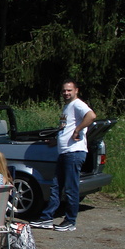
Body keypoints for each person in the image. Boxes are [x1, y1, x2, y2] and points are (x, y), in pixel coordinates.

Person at [31, 78, 97, 231]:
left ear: (76, 91)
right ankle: (46, 218)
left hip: (74, 153)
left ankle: (70, 221)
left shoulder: (78, 104)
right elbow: (64, 128)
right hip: (64, 152)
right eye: (64, 91)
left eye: (69, 90)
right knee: (56, 187)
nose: (66, 93)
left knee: (70, 188)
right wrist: (56, 140)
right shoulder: (67, 107)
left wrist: (77, 130)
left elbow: (91, 116)